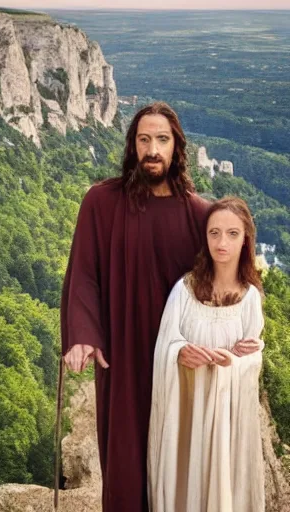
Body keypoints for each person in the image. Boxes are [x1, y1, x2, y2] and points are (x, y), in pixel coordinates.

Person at [58, 101, 212, 511]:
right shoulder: (101, 203)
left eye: (162, 139)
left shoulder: (200, 216)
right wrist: (83, 336)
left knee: (178, 460)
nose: (152, 149)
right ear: (132, 146)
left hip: (179, 361)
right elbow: (83, 273)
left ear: (177, 147)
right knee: (126, 463)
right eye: (144, 139)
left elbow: (229, 280)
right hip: (123, 357)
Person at [148, 197, 265, 512]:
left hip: (226, 418)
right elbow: (165, 344)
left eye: (232, 234)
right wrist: (180, 351)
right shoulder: (184, 290)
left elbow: (252, 358)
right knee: (188, 480)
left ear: (245, 240)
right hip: (188, 411)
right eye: (214, 233)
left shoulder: (251, 298)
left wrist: (238, 362)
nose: (222, 242)